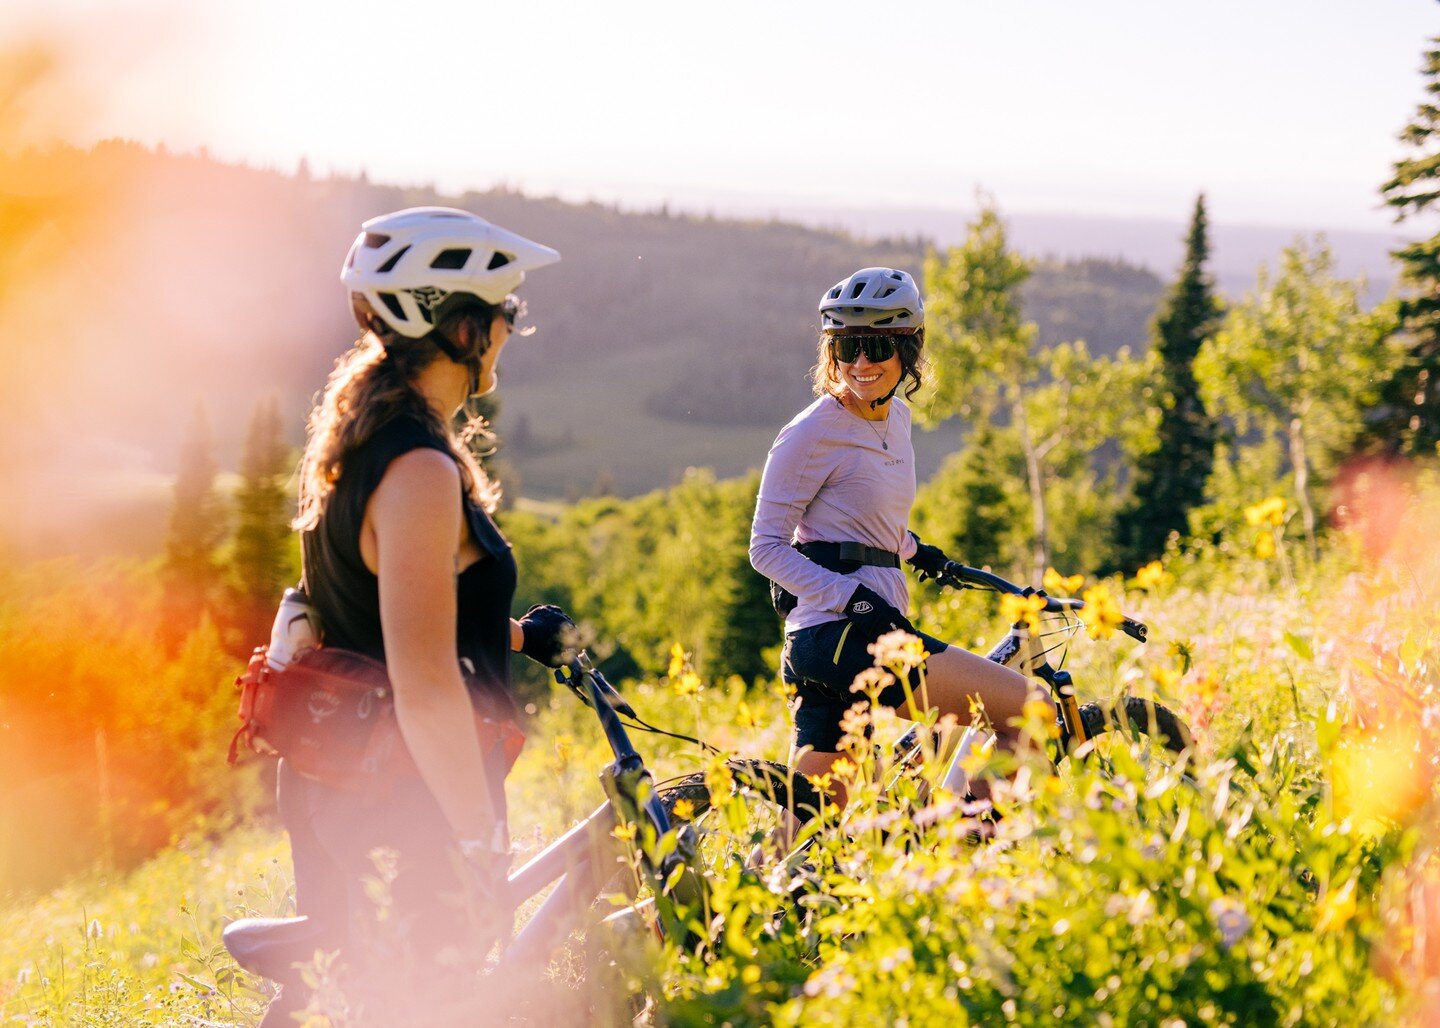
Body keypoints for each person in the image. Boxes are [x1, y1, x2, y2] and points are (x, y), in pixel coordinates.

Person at [260, 207, 576, 1024]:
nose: (512, 328)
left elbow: (375, 619)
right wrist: (480, 843)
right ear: (461, 327)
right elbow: (426, 682)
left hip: (340, 777)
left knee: (355, 999)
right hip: (405, 798)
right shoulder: (420, 471)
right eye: (505, 312)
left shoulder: (358, 439)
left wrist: (514, 636)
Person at [749, 267, 1052, 811]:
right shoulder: (813, 429)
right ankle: (964, 860)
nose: (860, 363)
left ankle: (756, 892)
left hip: (834, 642)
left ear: (908, 349)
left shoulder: (897, 420)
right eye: (845, 347)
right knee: (1031, 707)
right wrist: (855, 599)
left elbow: (860, 521)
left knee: (812, 825)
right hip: (847, 635)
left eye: (875, 346)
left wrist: (919, 552)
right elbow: (765, 547)